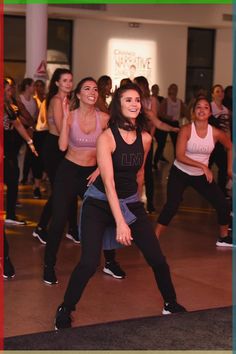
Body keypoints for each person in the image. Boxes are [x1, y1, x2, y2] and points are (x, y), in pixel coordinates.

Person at [54, 83, 186, 330]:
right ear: (118, 105)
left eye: (137, 100)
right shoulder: (107, 138)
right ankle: (65, 309)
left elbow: (139, 174)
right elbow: (110, 183)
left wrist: (136, 209)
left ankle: (170, 303)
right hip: (99, 204)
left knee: (157, 258)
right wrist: (121, 222)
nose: (134, 104)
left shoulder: (146, 139)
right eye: (128, 100)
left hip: (129, 203)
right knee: (89, 262)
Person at [43, 77, 125, 285]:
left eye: (95, 89)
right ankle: (48, 265)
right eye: (87, 88)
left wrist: (100, 168)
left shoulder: (105, 118)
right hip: (69, 171)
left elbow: (114, 148)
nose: (92, 91)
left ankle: (110, 262)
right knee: (59, 219)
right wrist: (65, 119)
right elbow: (62, 147)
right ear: (78, 95)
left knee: (107, 216)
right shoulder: (70, 116)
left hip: (93, 172)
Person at [155, 97, 232, 247]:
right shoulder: (186, 130)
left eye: (205, 107)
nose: (202, 110)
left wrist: (229, 168)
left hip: (200, 177)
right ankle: (154, 238)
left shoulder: (216, 133)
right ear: (193, 112)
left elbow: (230, 146)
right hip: (180, 172)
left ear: (210, 113)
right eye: (198, 107)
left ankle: (224, 237)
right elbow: (179, 155)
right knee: (172, 205)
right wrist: (203, 166)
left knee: (222, 204)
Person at [32, 68, 76, 245]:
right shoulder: (57, 101)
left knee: (70, 188)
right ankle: (41, 227)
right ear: (57, 83)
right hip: (55, 148)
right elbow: (60, 128)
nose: (68, 83)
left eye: (70, 80)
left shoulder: (68, 100)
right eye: (64, 80)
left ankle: (73, 228)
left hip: (62, 147)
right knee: (60, 191)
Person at [4, 79, 38, 225]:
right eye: (7, 89)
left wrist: (30, 142)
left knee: (13, 178)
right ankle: (10, 215)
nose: (10, 91)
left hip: (9, 147)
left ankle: (11, 215)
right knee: (12, 177)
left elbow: (17, 124)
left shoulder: (9, 105)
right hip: (4, 148)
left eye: (10, 89)